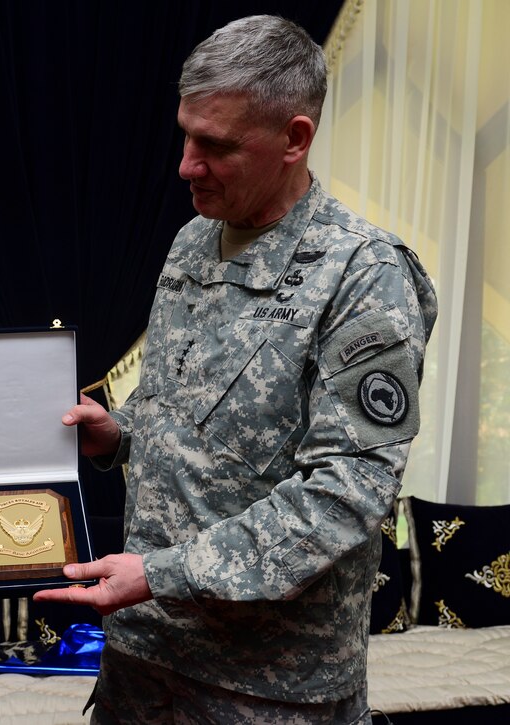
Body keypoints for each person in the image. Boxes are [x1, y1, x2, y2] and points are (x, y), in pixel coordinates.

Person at [35, 15, 437, 724]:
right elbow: (192, 416)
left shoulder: (366, 275)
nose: (187, 165)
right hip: (140, 666)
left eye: (215, 145)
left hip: (265, 690)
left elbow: (347, 493)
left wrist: (160, 572)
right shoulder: (192, 241)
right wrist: (119, 433)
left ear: (295, 138)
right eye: (186, 135)